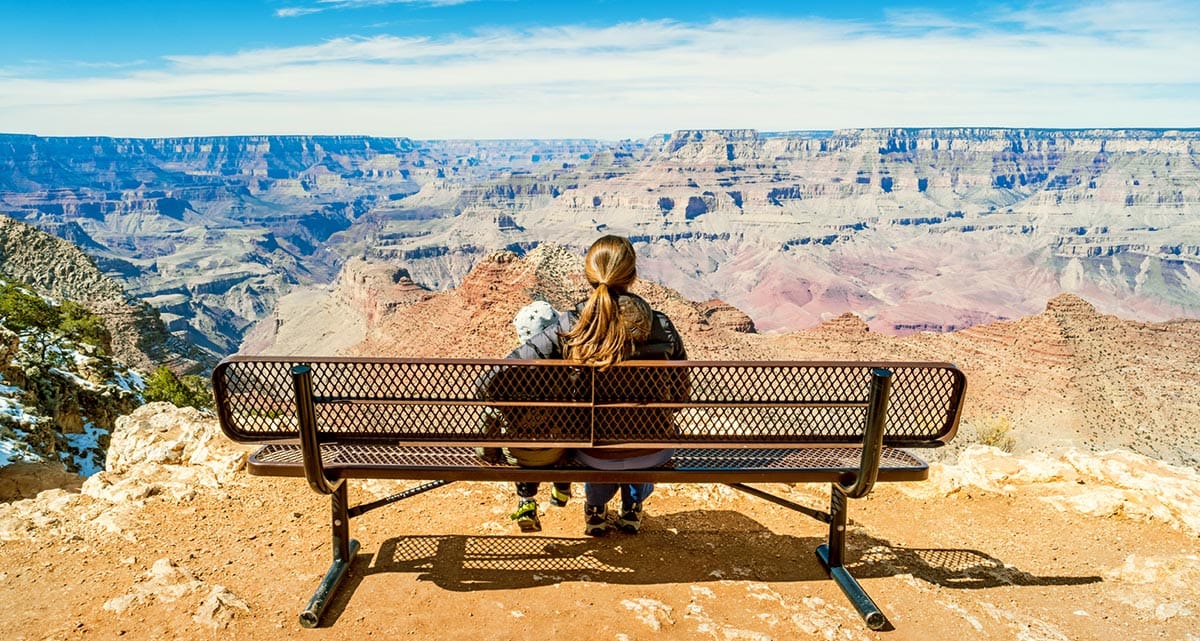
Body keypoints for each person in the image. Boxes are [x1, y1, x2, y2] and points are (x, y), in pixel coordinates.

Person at [507, 235, 687, 536]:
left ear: (589, 275)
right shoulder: (662, 325)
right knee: (642, 435)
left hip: (591, 451)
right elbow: (680, 397)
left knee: (599, 439)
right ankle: (631, 506)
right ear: (632, 276)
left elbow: (495, 377)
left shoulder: (569, 325)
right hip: (653, 449)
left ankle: (595, 508)